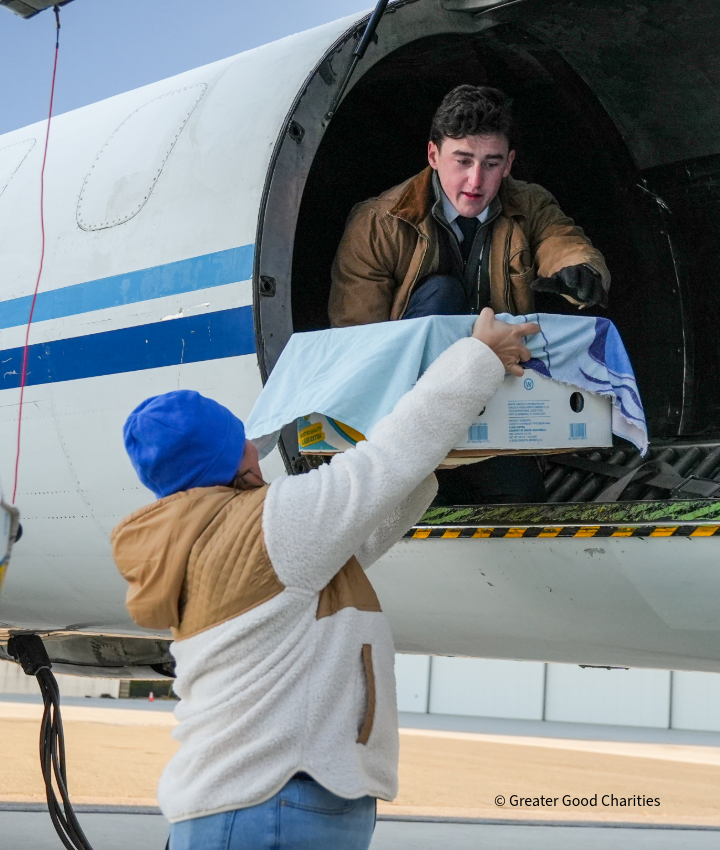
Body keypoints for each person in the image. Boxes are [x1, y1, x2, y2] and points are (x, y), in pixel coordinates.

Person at [111, 309, 539, 850]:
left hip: (254, 803)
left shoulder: (215, 540)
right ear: (228, 456)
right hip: (273, 804)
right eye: (240, 439)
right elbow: (383, 461)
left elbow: (355, 535)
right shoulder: (269, 526)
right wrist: (479, 356)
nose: (253, 446)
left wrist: (436, 458)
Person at [329, 84, 610, 505]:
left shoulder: (528, 203)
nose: (475, 181)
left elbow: (559, 238)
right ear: (433, 155)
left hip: (497, 395)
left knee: (520, 503)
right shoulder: (377, 224)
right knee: (442, 294)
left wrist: (578, 269)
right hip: (411, 406)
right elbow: (360, 339)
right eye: (462, 161)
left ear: (509, 163)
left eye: (491, 163)